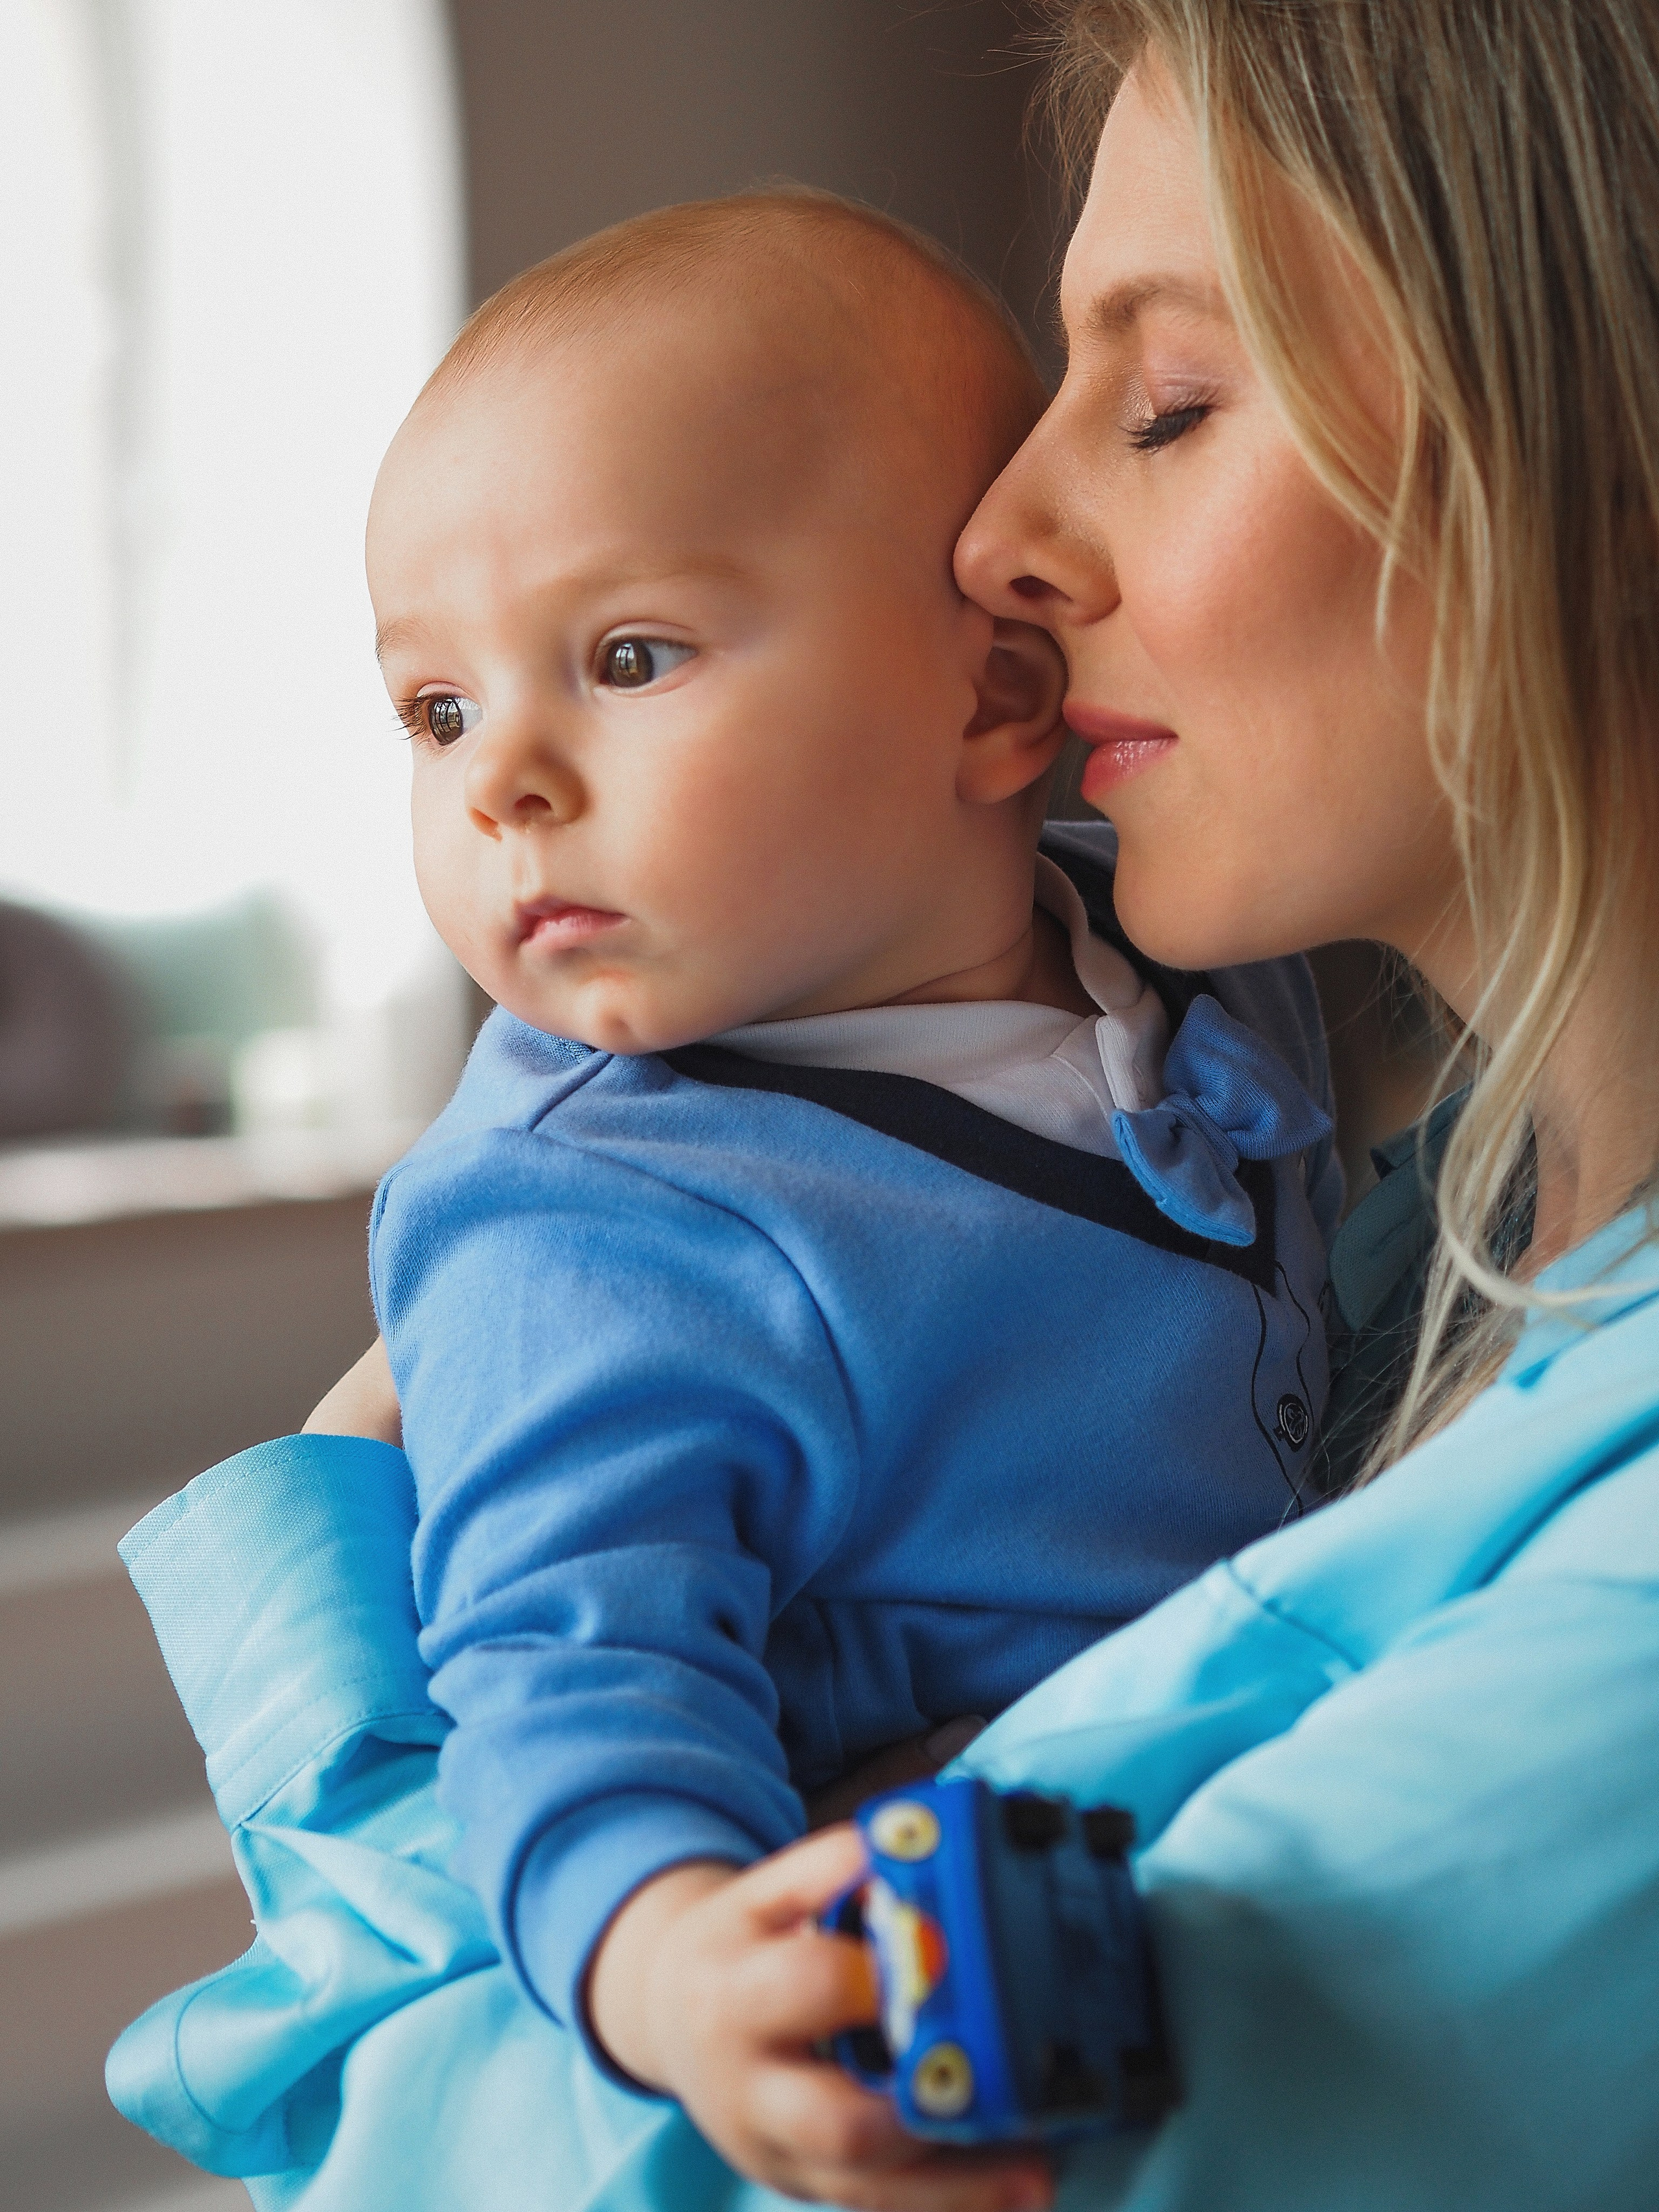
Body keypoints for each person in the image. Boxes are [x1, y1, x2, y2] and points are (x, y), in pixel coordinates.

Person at [110, 1, 1659, 2206]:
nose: (999, 535)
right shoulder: (605, 1217)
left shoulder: (1226, 1059)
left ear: (1605, 461)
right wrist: (653, 1948)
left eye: (1167, 402)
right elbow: (580, 1660)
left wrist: (330, 1626)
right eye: (430, 711)